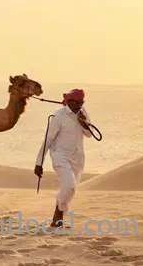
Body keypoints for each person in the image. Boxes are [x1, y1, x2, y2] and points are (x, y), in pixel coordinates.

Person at [34, 89, 92, 227]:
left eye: (81, 102)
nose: (79, 105)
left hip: (77, 157)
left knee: (69, 189)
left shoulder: (82, 112)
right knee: (69, 186)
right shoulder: (58, 116)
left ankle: (56, 220)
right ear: (69, 102)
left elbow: (90, 134)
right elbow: (48, 140)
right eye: (77, 103)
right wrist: (39, 163)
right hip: (60, 155)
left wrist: (84, 123)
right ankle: (58, 214)